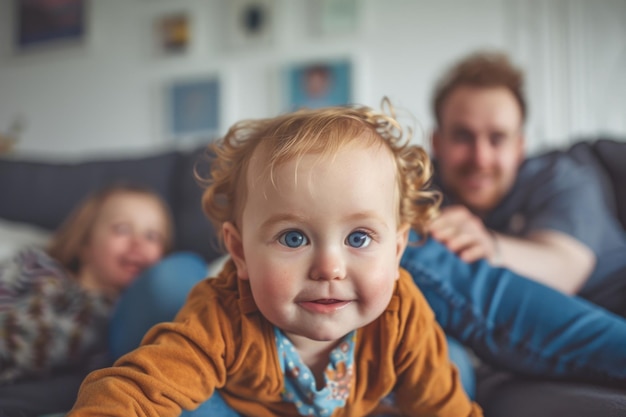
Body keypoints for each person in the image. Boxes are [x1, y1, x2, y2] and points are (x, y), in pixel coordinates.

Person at [68, 101, 483, 416]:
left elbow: (446, 408)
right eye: (294, 236)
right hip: (229, 396)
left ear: (396, 253)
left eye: (358, 237)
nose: (329, 268)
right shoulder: (223, 313)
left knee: (456, 370)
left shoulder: (401, 314)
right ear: (241, 251)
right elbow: (138, 390)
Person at [426, 50, 626, 314]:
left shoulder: (563, 178)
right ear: (437, 143)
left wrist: (488, 246)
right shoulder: (421, 186)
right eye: (463, 137)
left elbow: (564, 268)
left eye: (497, 139)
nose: (481, 159)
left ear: (520, 147)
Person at [0, 184, 175, 385]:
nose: (138, 243)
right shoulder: (34, 266)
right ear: (85, 242)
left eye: (152, 236)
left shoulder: (122, 322)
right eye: (123, 229)